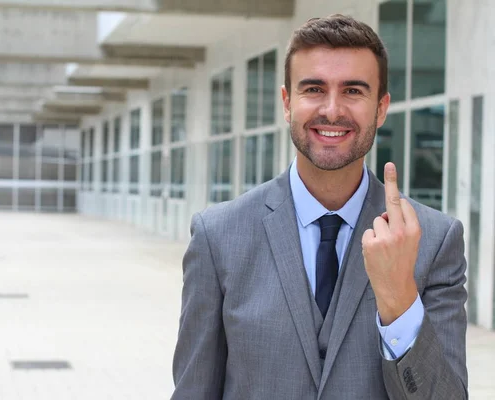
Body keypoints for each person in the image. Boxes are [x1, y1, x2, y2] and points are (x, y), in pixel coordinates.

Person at [171, 14, 468, 400]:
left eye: (353, 91)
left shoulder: (435, 241)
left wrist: (399, 301)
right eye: (313, 88)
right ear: (286, 102)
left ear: (381, 108)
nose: (332, 110)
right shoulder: (218, 236)